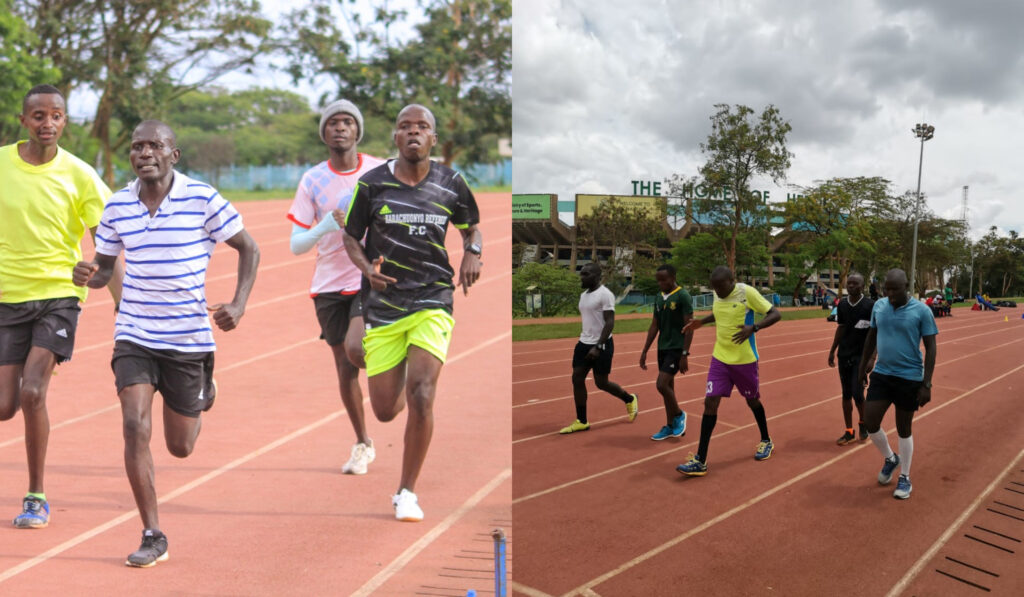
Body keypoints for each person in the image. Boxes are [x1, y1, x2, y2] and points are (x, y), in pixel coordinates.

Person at [73, 120, 259, 566]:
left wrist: (238, 303)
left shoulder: (202, 199)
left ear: (174, 154)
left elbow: (249, 247)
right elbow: (104, 268)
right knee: (135, 425)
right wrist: (89, 275)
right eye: (137, 147)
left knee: (181, 446)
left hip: (187, 338)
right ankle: (153, 532)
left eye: (154, 145)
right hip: (135, 334)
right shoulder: (116, 206)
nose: (144, 153)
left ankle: (203, 387)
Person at [341, 104, 482, 522]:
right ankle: (403, 359)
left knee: (423, 392)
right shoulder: (372, 185)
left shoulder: (451, 182)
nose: (414, 133)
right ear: (396, 138)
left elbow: (471, 225)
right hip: (384, 303)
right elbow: (351, 237)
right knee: (385, 409)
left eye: (422, 127)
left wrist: (472, 252)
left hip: (433, 298)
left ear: (433, 139)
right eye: (405, 127)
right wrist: (367, 270)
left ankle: (406, 491)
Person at [0, 84, 123, 529]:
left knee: (34, 391)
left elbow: (108, 240)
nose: (47, 123)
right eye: (38, 116)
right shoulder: (1, 164)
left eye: (55, 115)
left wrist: (118, 300)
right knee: (5, 406)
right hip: (7, 296)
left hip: (59, 295)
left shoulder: (80, 175)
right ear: (23, 121)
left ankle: (36, 495)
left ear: (65, 121)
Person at [287, 100, 385, 475]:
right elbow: (296, 245)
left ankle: (394, 371)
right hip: (328, 284)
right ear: (324, 133)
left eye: (347, 122)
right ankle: (363, 443)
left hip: (368, 277)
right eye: (333, 123)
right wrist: (325, 225)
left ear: (358, 131)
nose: (340, 128)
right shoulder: (313, 180)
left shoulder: (379, 170)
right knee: (345, 370)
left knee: (358, 349)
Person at [676, 267, 782, 476]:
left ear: (732, 281)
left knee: (752, 401)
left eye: (721, 287)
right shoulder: (717, 292)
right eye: (714, 287)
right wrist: (702, 322)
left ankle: (766, 440)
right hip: (720, 358)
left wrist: (755, 328)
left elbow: (775, 314)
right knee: (710, 402)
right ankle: (700, 459)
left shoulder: (747, 293)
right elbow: (719, 312)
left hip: (745, 360)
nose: (717, 291)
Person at [857, 269, 937, 500]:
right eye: (887, 289)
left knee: (904, 428)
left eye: (895, 289)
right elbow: (871, 338)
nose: (890, 293)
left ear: (906, 286)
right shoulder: (879, 306)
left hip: (910, 377)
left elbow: (931, 348)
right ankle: (891, 458)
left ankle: (905, 476)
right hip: (882, 374)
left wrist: (927, 384)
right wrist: (863, 369)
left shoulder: (921, 311)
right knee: (870, 421)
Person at [558, 263, 638, 435]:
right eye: (581, 273)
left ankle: (629, 399)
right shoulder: (583, 296)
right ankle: (582, 421)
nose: (582, 277)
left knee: (601, 383)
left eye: (585, 274)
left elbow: (610, 321)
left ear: (596, 276)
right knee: (577, 378)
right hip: (583, 342)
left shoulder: (605, 295)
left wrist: (598, 346)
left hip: (601, 344)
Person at [638, 264, 690, 440]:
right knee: (669, 387)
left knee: (661, 384)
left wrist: (684, 354)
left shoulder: (683, 295)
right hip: (663, 347)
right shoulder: (658, 298)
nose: (660, 283)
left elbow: (689, 327)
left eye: (664, 279)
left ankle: (678, 414)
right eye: (658, 280)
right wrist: (645, 350)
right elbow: (655, 325)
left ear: (673, 277)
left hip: (676, 347)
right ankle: (669, 426)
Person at [827, 273, 874, 445]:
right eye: (849, 283)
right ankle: (848, 431)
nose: (851, 286)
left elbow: (875, 333)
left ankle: (863, 422)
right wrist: (833, 350)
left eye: (855, 283)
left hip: (861, 356)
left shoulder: (870, 305)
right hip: (844, 354)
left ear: (863, 286)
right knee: (846, 394)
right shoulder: (843, 304)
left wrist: (872, 358)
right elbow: (841, 327)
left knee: (857, 393)